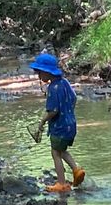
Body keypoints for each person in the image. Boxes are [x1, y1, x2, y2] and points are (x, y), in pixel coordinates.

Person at [30, 51, 84, 193]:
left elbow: (52, 110)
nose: (39, 76)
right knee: (62, 150)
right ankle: (76, 170)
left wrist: (42, 122)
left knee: (55, 153)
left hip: (59, 128)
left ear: (47, 72)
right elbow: (74, 98)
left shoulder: (53, 88)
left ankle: (61, 183)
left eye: (40, 73)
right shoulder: (65, 82)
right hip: (71, 125)